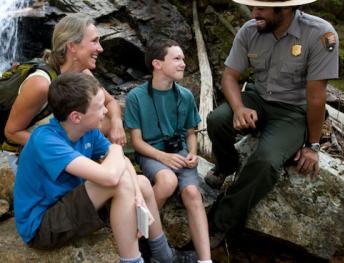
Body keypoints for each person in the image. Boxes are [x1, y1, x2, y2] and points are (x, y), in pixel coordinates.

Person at [205, 0, 339, 244]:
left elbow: (316, 97)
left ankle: (219, 222)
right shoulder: (250, 30)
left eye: (261, 9)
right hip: (257, 97)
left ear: (285, 9)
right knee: (217, 120)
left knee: (266, 162)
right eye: (253, 7)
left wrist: (313, 145)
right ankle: (226, 165)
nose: (253, 14)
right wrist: (238, 108)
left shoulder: (320, 34)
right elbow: (229, 77)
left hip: (293, 111)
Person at [13, 72, 174, 263]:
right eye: (99, 107)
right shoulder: (46, 140)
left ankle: (164, 256)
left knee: (143, 182)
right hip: (43, 226)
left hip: (70, 206)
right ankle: (132, 260)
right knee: (120, 183)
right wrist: (115, 148)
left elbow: (124, 163)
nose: (106, 111)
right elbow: (111, 177)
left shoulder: (87, 131)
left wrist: (137, 193)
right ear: (76, 117)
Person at [124, 40, 212, 263]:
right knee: (167, 181)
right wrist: (163, 157)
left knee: (193, 194)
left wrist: (193, 153)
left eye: (183, 58)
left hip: (180, 154)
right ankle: (139, 232)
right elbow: (137, 142)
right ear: (157, 64)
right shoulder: (136, 97)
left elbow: (191, 133)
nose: (183, 63)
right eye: (177, 58)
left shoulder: (185, 96)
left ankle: (205, 260)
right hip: (152, 154)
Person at [3, 14, 126, 153]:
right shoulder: (40, 84)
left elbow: (110, 102)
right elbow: (12, 132)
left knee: (108, 119)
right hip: (29, 151)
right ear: (72, 46)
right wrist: (61, 147)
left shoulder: (83, 73)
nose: (100, 48)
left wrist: (117, 123)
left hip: (63, 142)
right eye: (94, 41)